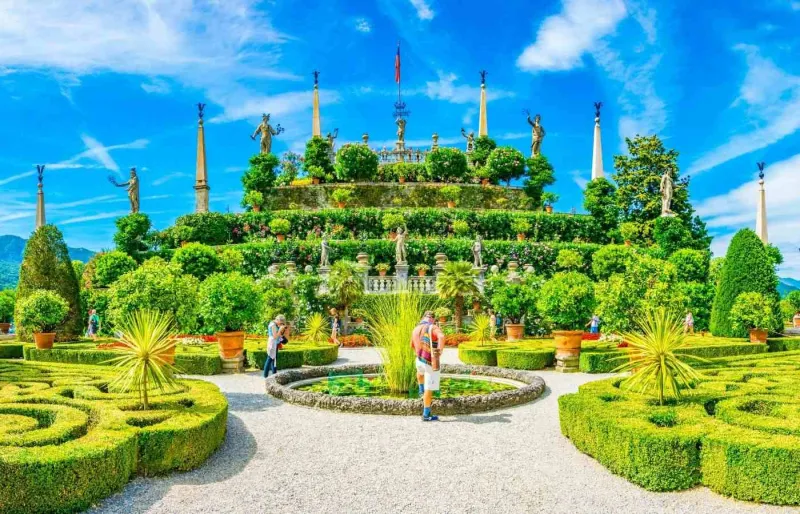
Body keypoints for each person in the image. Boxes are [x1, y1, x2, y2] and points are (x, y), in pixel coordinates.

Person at [410, 311, 446, 421]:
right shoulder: (433, 327)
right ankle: (426, 414)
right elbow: (442, 336)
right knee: (429, 389)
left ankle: (420, 391)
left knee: (420, 374)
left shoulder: (416, 329)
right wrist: (438, 352)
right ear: (433, 319)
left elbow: (412, 345)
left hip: (419, 360)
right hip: (429, 362)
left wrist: (421, 353)